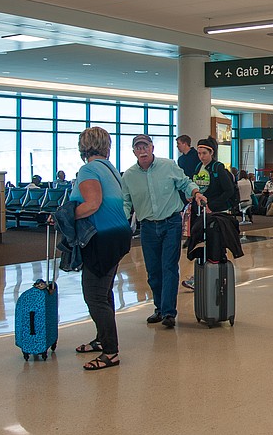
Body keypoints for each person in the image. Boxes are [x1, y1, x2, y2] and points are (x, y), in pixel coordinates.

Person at [121, 134, 205, 330]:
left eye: (145, 147)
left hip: (171, 223)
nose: (142, 151)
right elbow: (126, 202)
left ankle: (168, 312)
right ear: (134, 152)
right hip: (148, 226)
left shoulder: (168, 166)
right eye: (138, 148)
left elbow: (184, 182)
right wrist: (120, 220)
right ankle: (159, 307)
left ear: (152, 148)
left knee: (169, 267)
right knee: (153, 272)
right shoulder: (129, 176)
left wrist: (196, 192)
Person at [71, 127, 132, 371]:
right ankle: (102, 339)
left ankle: (110, 352)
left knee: (94, 295)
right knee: (104, 292)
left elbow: (92, 204)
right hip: (118, 234)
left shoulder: (88, 169)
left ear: (83, 146)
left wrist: (66, 215)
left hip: (102, 238)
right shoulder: (111, 170)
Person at [182, 137, 236, 290]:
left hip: (216, 213)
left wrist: (212, 205)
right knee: (201, 242)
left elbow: (229, 191)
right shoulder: (198, 167)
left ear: (211, 153)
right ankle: (202, 275)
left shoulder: (218, 168)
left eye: (204, 153)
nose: (201, 156)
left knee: (214, 244)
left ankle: (214, 277)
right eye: (199, 153)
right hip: (201, 212)